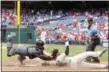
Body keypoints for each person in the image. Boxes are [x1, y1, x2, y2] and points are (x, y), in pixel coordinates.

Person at [42, 41, 108, 69]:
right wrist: (67, 45)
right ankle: (99, 54)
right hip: (74, 60)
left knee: (90, 65)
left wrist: (48, 64)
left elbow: (55, 63)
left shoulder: (56, 60)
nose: (59, 52)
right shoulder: (60, 56)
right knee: (86, 53)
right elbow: (67, 52)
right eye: (58, 52)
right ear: (56, 54)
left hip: (73, 65)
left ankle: (105, 66)